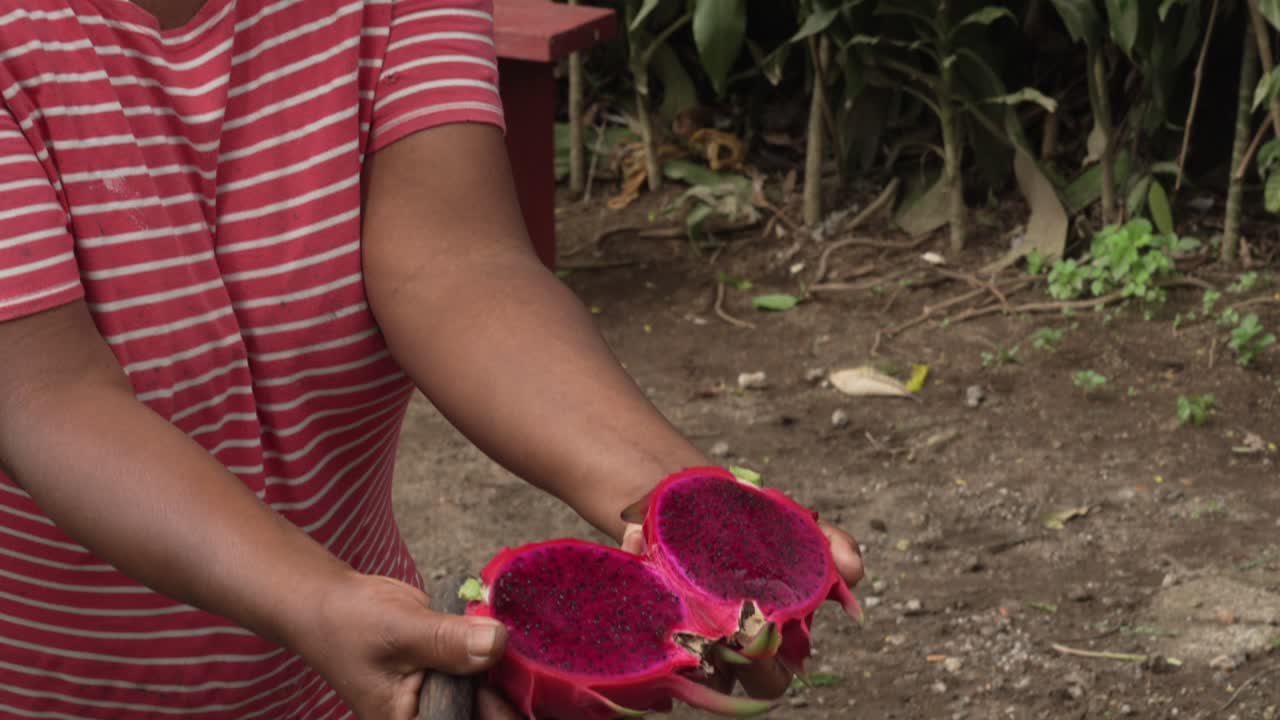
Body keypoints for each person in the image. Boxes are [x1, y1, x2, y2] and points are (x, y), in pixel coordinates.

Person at [0, 1, 864, 718]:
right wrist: (316, 602)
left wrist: (680, 506)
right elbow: (47, 393)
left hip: (338, 676)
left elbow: (453, 267)